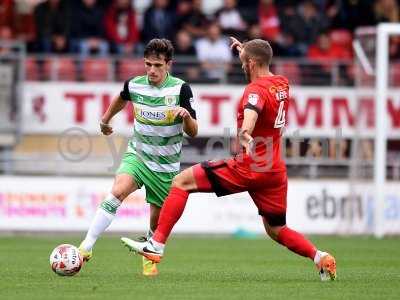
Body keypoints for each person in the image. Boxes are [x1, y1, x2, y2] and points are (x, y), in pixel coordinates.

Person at [121, 37, 337, 281]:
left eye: (245, 63)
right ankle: (320, 258)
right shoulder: (282, 84)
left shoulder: (254, 91)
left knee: (181, 182)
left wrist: (245, 132)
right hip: (274, 170)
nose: (242, 66)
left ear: (253, 63)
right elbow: (261, 68)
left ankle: (156, 245)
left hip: (250, 166)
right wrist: (246, 50)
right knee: (276, 229)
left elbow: (252, 112)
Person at [78, 38, 198, 276]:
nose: (151, 70)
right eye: (148, 64)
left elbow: (193, 132)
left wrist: (186, 116)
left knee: (156, 219)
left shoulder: (181, 89)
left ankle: (149, 258)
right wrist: (105, 120)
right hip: (138, 154)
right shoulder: (135, 85)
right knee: (117, 191)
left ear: (169, 65)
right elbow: (122, 98)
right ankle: (86, 247)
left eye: (157, 65)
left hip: (165, 166)